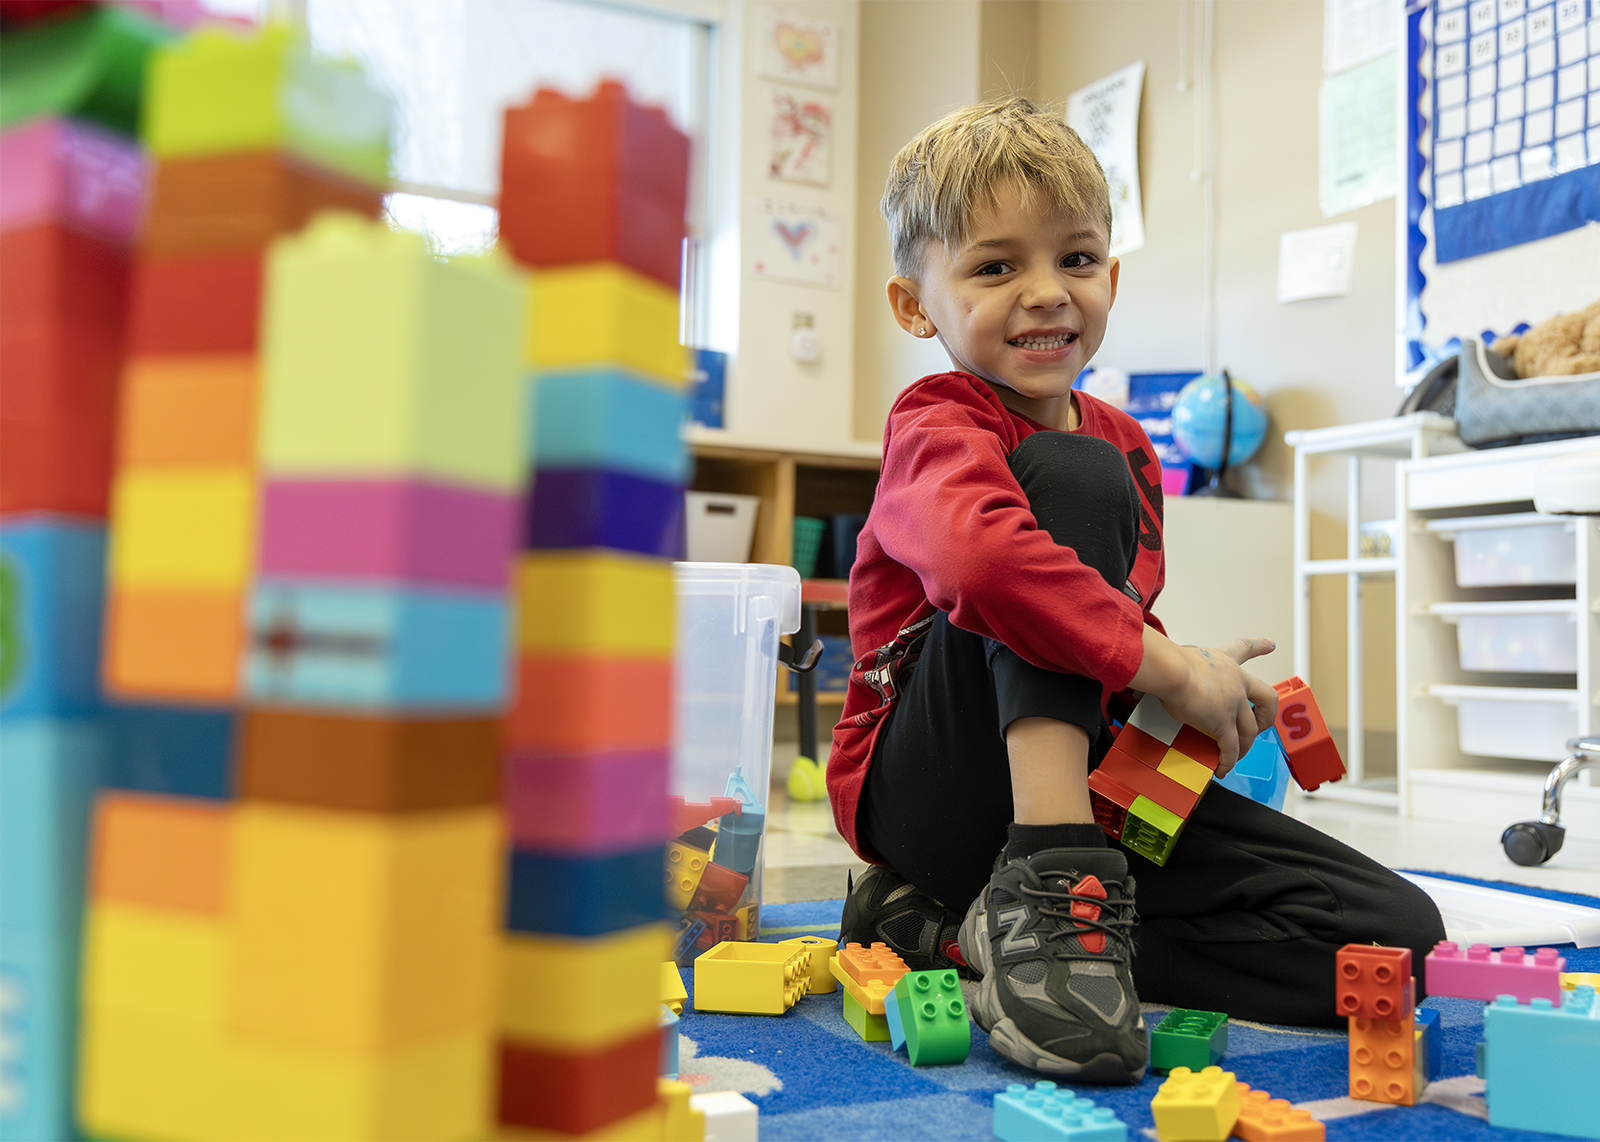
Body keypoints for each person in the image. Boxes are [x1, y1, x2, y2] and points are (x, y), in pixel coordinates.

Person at [826, 96, 1445, 1083]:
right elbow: (990, 568)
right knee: (1067, 479)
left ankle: (959, 930)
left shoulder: (1127, 444)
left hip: (1088, 783)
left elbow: (1104, 625)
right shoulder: (936, 423)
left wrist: (1181, 685)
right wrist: (1169, 667)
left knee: (1395, 939)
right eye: (995, 266)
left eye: (1074, 260)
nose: (1046, 293)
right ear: (915, 304)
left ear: (1109, 276)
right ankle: (1043, 882)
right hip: (929, 788)